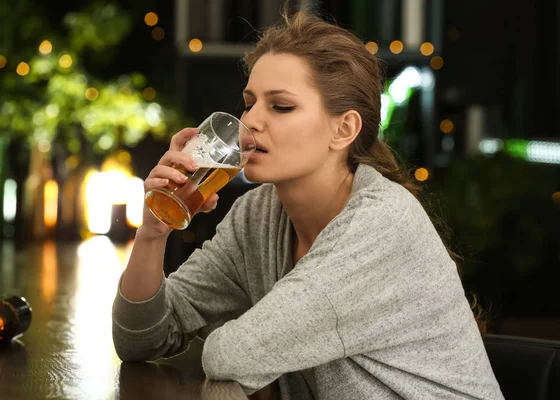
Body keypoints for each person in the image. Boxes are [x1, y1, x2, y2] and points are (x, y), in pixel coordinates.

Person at [112, 10, 504, 400]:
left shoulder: (380, 225)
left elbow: (231, 355)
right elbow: (140, 340)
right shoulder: (259, 215)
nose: (252, 120)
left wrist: (244, 345)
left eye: (281, 107)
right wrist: (153, 233)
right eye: (249, 103)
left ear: (344, 129)